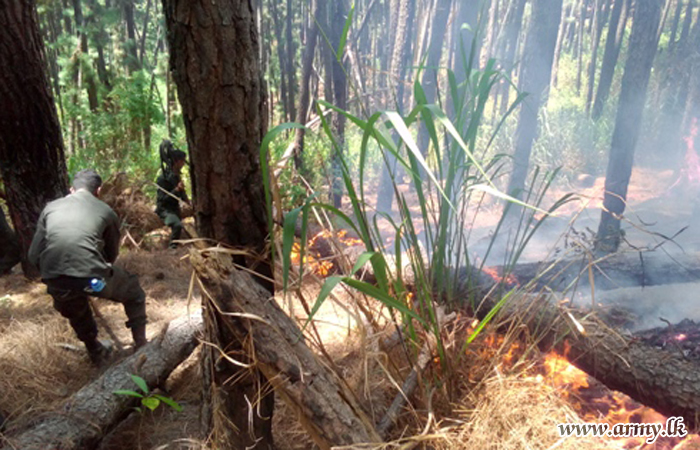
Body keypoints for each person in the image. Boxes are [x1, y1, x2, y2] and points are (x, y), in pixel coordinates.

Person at [28, 170, 147, 365]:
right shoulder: (106, 211)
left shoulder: (50, 208)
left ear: (71, 189)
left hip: (55, 279)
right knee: (133, 291)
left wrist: (57, 273)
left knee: (75, 308)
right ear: (98, 191)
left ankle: (94, 351)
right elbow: (111, 256)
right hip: (93, 279)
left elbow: (33, 255)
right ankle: (142, 346)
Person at [155, 145, 188, 249]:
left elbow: (182, 195)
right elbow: (162, 199)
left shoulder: (176, 176)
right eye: (182, 161)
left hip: (174, 209)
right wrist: (176, 190)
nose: (183, 164)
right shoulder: (163, 179)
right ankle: (172, 249)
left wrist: (187, 202)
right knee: (177, 225)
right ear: (177, 162)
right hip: (165, 211)